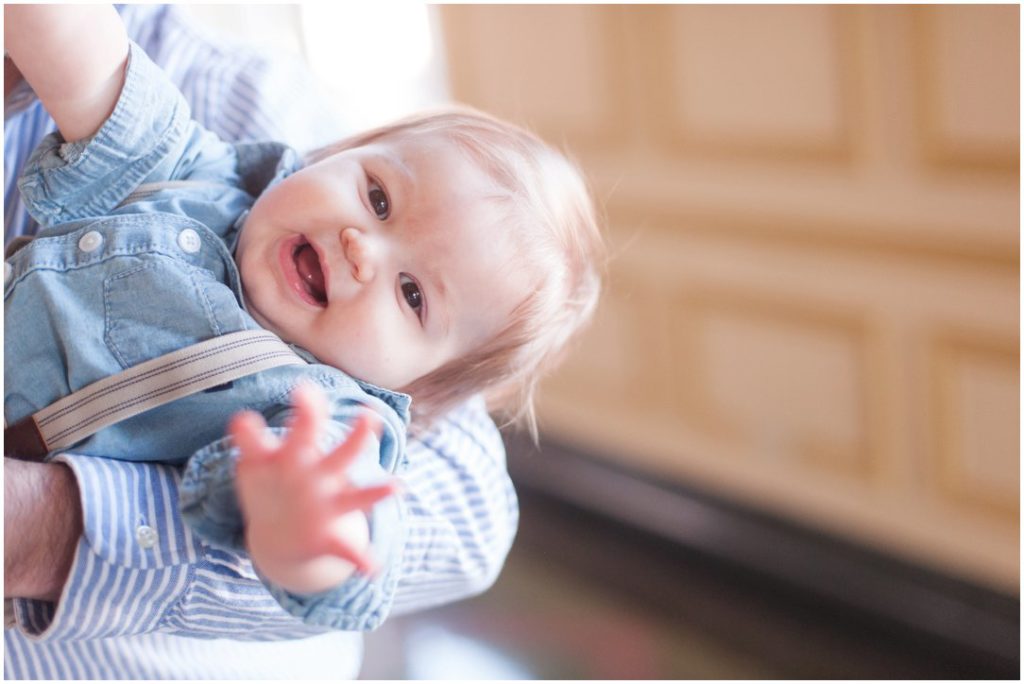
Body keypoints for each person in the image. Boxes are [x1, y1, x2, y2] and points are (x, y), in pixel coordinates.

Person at [5, 0, 602, 667]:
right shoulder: (207, 178)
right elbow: (105, 86)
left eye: (412, 295)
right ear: (326, 157)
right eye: (378, 197)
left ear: (416, 389)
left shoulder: (324, 414)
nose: (360, 248)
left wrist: (302, 526)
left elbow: (348, 541)